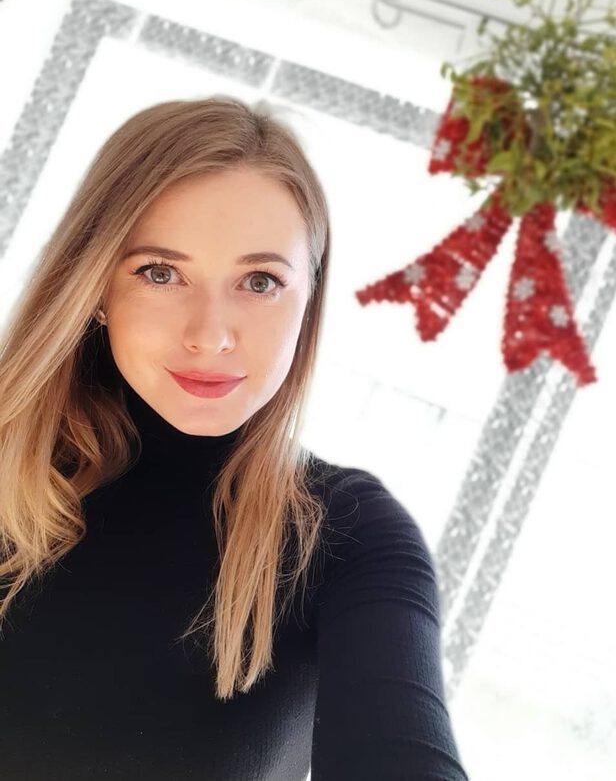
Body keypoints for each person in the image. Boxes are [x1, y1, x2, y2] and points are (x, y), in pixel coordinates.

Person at [0, 96, 469, 780]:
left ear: (308, 301)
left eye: (260, 281)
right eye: (160, 272)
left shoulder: (349, 537)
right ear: (96, 286)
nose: (211, 335)